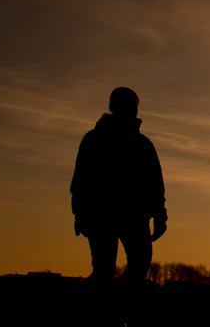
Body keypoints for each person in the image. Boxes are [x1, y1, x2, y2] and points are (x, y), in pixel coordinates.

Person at [70, 87, 167, 281]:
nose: (133, 110)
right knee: (106, 269)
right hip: (107, 216)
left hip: (127, 216)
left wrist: (159, 216)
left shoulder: (139, 144)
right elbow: (81, 182)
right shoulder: (97, 140)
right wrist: (80, 214)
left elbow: (154, 185)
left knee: (132, 266)